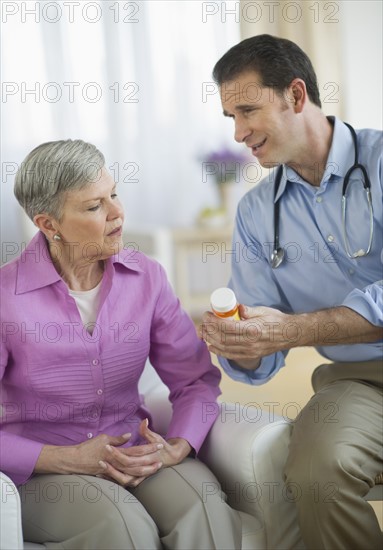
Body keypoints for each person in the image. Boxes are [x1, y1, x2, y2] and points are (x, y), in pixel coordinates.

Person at [0, 139, 245, 549]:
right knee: (122, 528)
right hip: (46, 472)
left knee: (203, 507)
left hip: (137, 450)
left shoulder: (146, 277)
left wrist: (177, 447)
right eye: (94, 206)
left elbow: (195, 379)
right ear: (48, 224)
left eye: (113, 194)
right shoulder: (5, 297)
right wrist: (65, 459)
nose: (118, 213)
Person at [199, 34, 383, 549]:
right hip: (359, 380)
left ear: (296, 95)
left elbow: (291, 328)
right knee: (316, 471)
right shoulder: (259, 213)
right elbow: (262, 354)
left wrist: (294, 329)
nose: (239, 133)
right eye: (230, 118)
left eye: (248, 110)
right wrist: (243, 342)